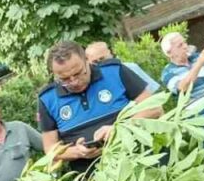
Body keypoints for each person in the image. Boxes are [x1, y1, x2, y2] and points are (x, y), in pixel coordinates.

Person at [37, 40, 159, 173]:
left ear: (87, 60)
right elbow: (50, 149)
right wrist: (76, 152)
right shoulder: (47, 99)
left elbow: (154, 108)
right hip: (91, 179)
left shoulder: (114, 72)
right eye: (65, 79)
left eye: (78, 73)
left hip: (139, 162)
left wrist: (119, 129)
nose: (74, 82)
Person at [85, 41, 161, 93]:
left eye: (102, 59)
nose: (100, 63)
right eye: (95, 61)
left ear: (110, 54)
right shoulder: (89, 81)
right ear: (88, 62)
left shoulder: (131, 68)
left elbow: (151, 93)